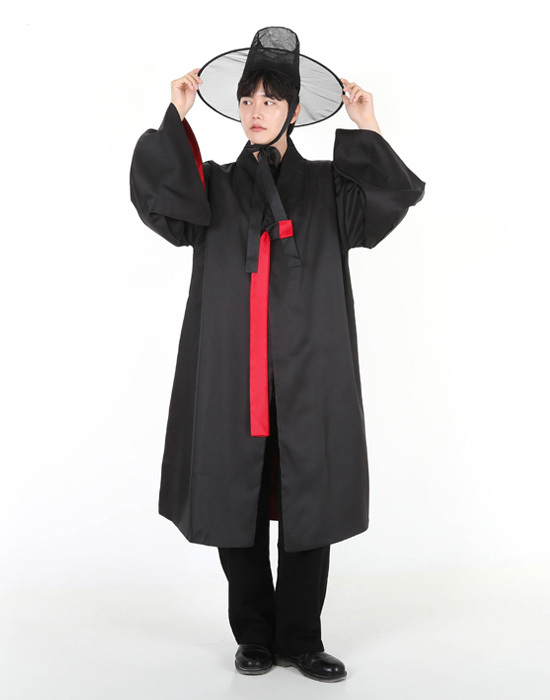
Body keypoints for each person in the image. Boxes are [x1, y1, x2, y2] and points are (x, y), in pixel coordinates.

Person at [129, 27, 425, 683]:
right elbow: (160, 205)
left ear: (292, 110)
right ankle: (254, 637)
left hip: (308, 370)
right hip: (231, 371)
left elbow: (384, 206)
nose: (256, 111)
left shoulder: (326, 187)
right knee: (230, 497)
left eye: (270, 100)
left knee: (309, 501)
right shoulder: (212, 185)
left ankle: (301, 638)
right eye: (247, 100)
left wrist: (369, 125)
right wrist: (176, 116)